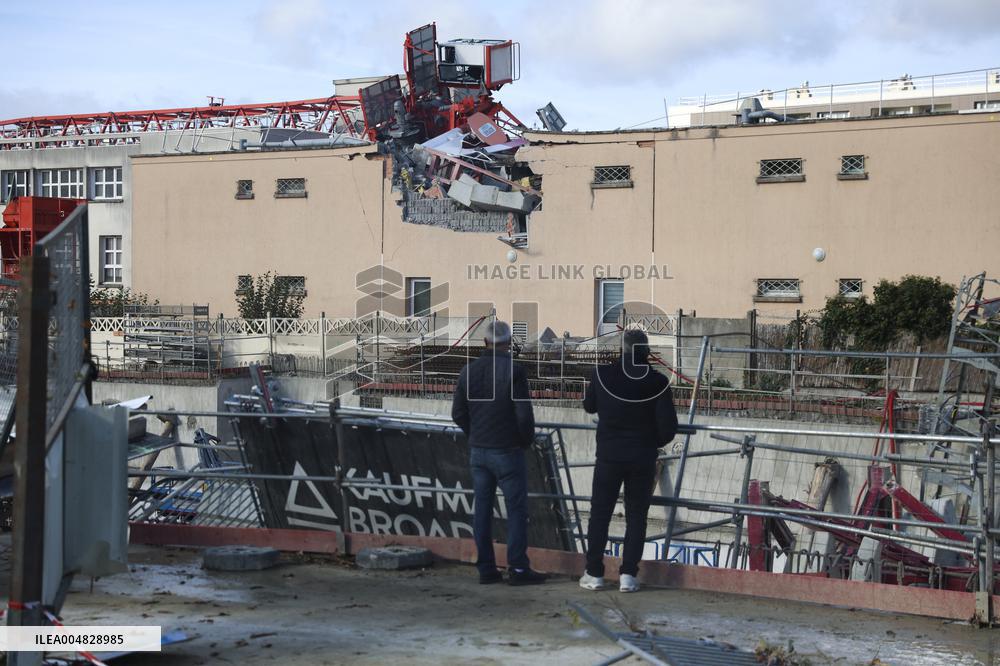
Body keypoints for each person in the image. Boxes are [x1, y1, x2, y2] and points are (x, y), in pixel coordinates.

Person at [579, 328, 678, 593]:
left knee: (599, 514)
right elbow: (668, 428)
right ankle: (628, 576)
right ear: (645, 351)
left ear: (622, 349)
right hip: (642, 457)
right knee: (637, 516)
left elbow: (589, 406)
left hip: (609, 456)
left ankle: (594, 573)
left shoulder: (602, 374)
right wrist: (649, 442)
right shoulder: (657, 381)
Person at [452, 320, 548, 586]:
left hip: (479, 452)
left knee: (481, 510)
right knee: (516, 510)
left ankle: (486, 569)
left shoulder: (467, 371)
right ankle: (517, 569)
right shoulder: (514, 371)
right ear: (509, 344)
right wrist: (524, 441)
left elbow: (457, 413)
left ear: (485, 343)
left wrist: (475, 435)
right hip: (507, 451)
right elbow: (524, 415)